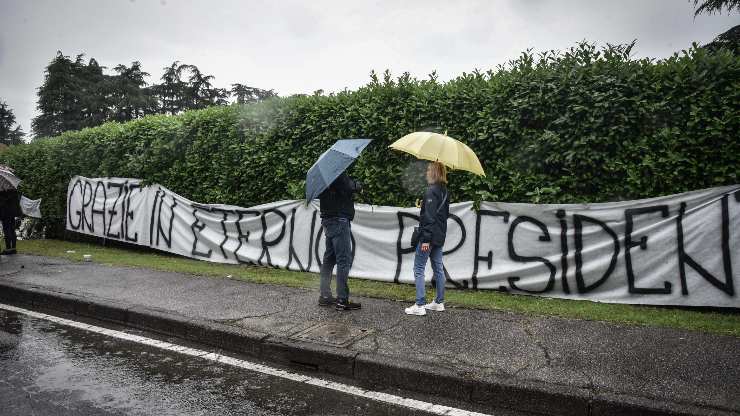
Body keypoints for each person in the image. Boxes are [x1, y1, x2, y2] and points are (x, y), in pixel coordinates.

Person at [405, 162, 450, 316]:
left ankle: (420, 304)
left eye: (429, 169)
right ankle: (439, 302)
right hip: (439, 237)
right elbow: (442, 216)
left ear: (435, 173)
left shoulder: (431, 191)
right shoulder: (444, 191)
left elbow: (430, 217)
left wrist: (425, 240)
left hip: (428, 237)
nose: (426, 172)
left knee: (418, 268)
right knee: (438, 268)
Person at [318, 172, 362, 311]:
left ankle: (325, 296)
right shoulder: (338, 172)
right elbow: (350, 187)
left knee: (329, 259)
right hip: (339, 220)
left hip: (328, 220)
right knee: (344, 261)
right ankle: (342, 299)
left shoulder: (322, 176)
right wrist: (358, 185)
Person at [0, 188, 21, 255]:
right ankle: (13, 248)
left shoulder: (2, 192)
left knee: (7, 230)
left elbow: (2, 203)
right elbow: (17, 202)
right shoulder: (14, 190)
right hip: (12, 213)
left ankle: (8, 248)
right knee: (12, 230)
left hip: (5, 213)